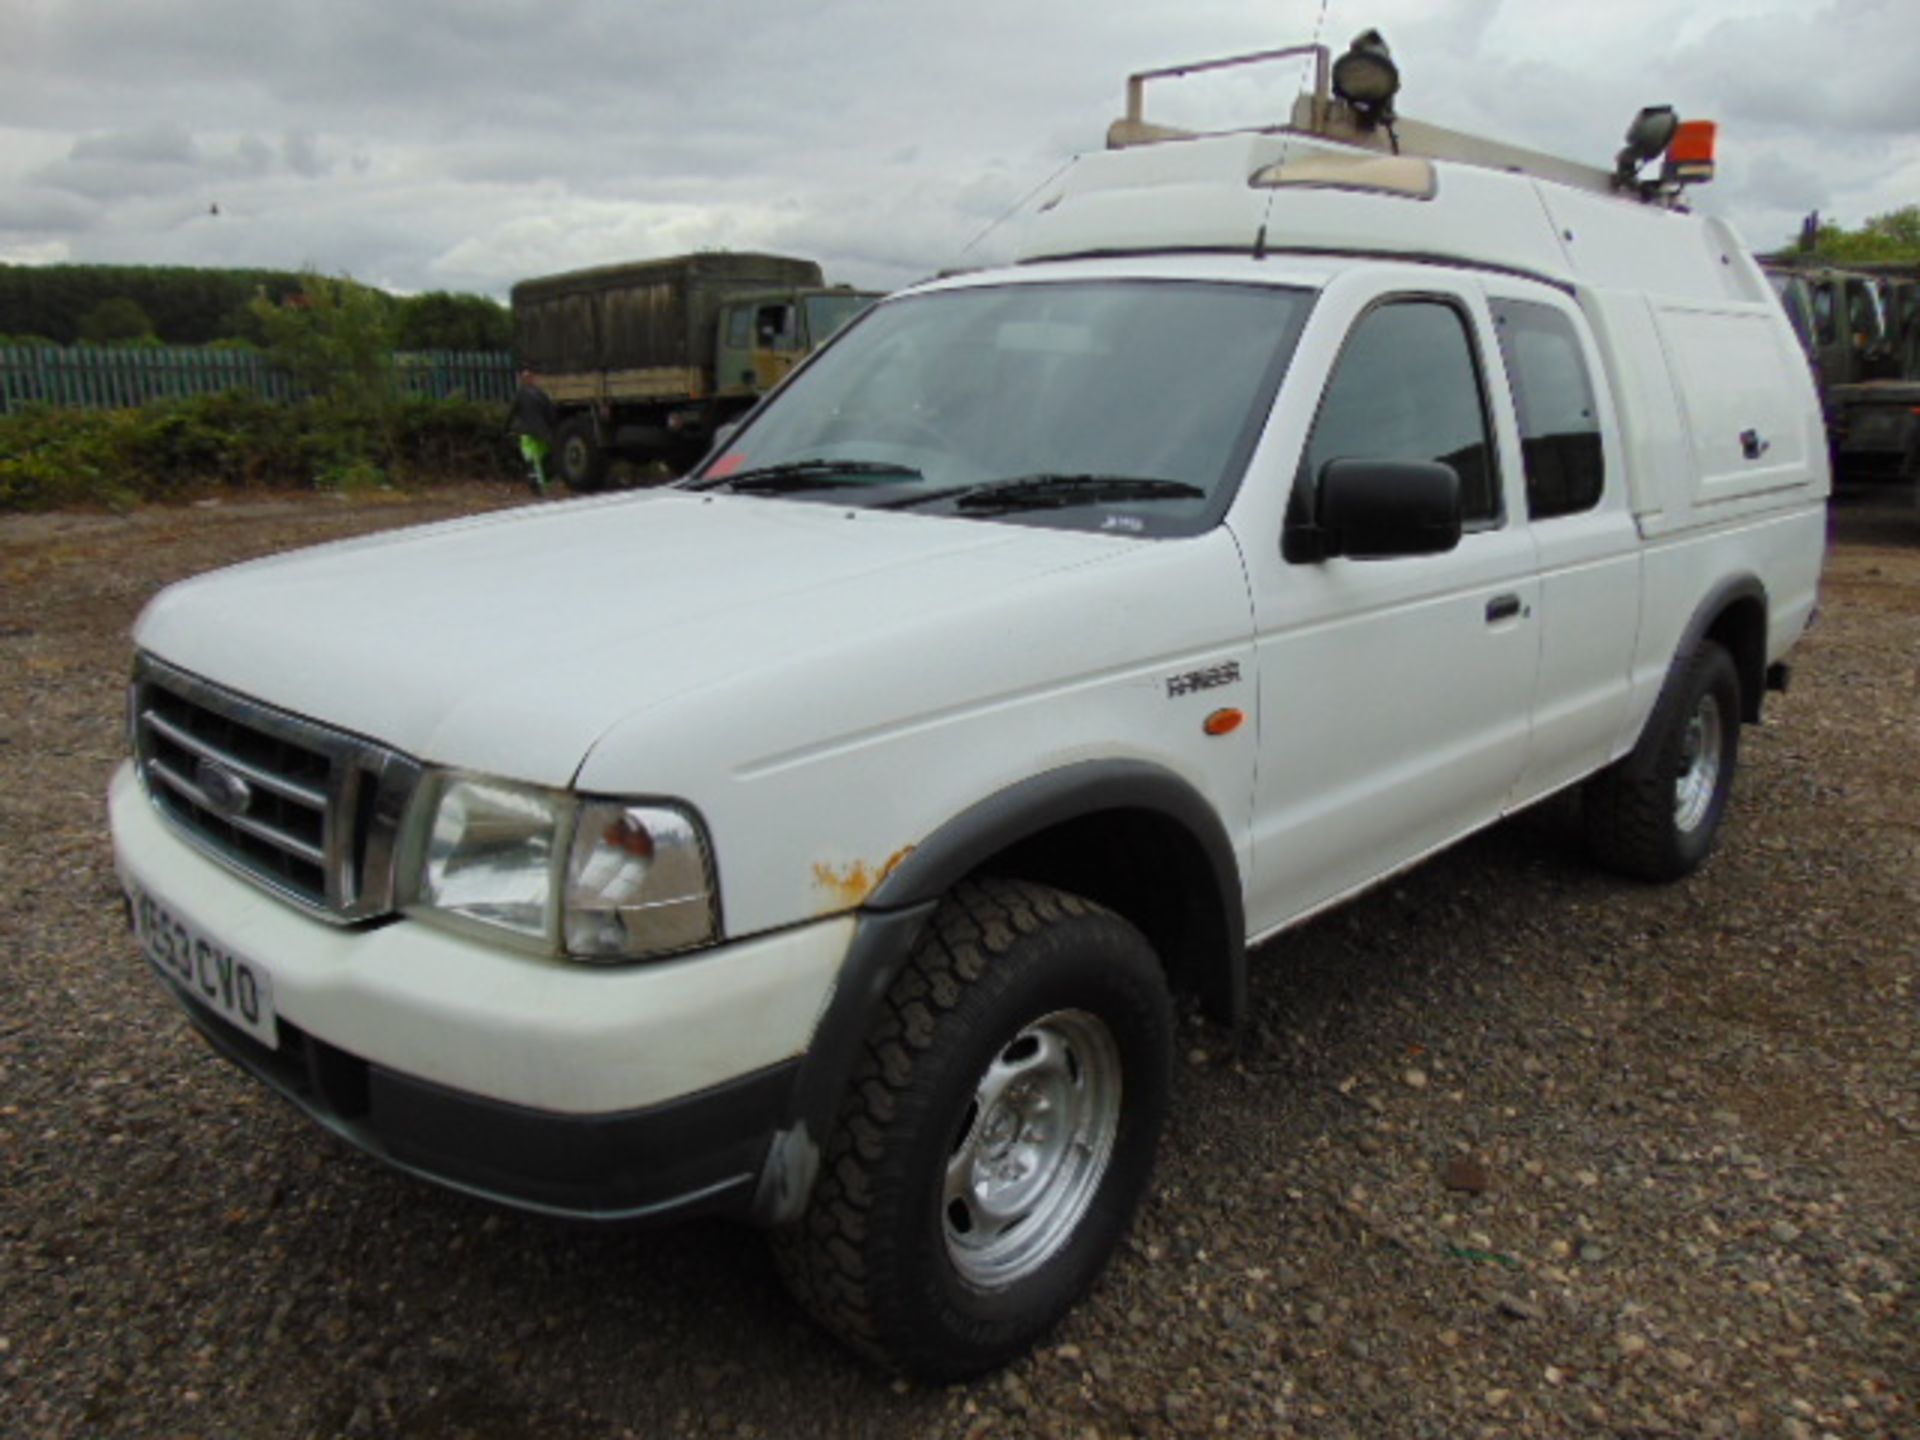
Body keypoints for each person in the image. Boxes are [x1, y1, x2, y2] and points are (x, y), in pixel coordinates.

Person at [504, 369, 558, 495]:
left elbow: (511, 413)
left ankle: (536, 486)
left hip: (526, 433)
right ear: (533, 380)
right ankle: (545, 485)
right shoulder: (541, 394)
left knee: (531, 460)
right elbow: (551, 412)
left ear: (523, 381)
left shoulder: (520, 395)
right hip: (543, 432)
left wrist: (506, 428)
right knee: (543, 458)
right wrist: (551, 428)